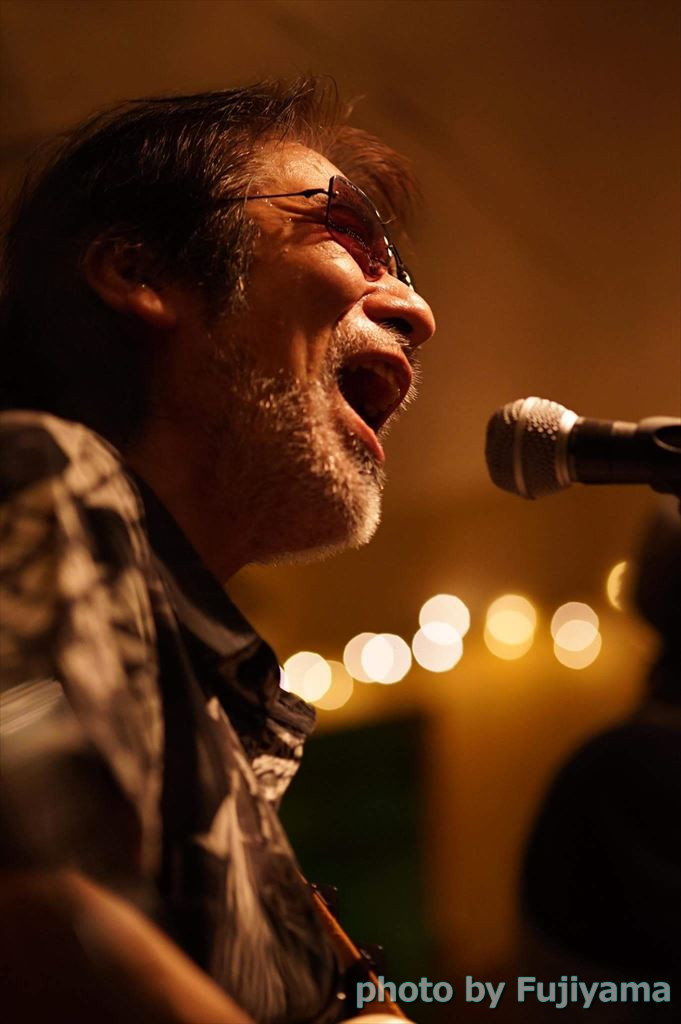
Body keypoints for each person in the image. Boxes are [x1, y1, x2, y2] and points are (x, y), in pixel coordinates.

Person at [0, 79, 436, 1023]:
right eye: (351, 237)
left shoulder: (217, 714)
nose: (415, 309)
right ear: (141, 273)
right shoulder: (39, 473)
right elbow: (29, 915)